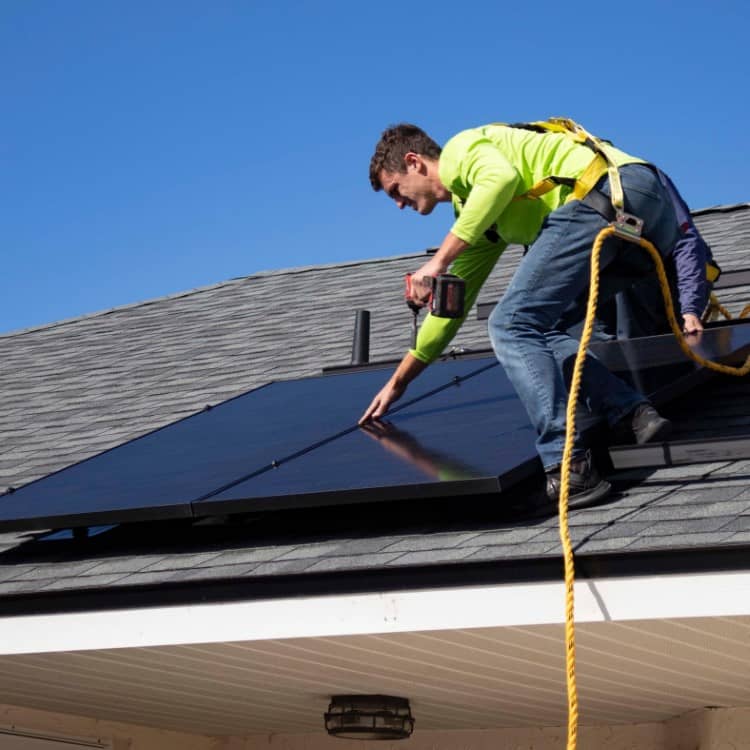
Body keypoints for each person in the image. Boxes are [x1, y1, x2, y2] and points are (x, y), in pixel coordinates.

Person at [359, 121, 707, 508]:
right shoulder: (478, 219)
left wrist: (436, 262)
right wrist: (398, 383)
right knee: (542, 330)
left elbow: (500, 178)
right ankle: (631, 411)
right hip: (644, 220)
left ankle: (569, 465)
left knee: (510, 323)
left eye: (396, 190)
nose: (399, 204)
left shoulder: (461, 152)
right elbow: (449, 314)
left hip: (605, 193)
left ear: (415, 162)